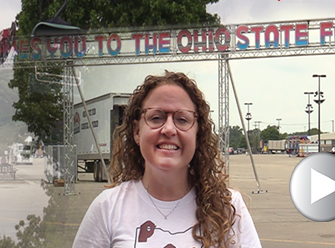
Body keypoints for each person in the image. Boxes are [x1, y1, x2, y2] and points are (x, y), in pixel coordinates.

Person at [73, 71, 262, 248]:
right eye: (156, 118)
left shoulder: (228, 208)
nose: (169, 129)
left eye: (182, 119)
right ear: (137, 131)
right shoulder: (108, 208)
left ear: (198, 134)